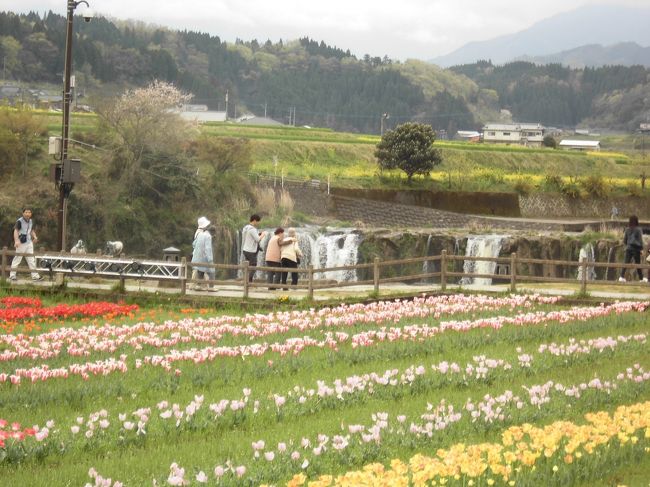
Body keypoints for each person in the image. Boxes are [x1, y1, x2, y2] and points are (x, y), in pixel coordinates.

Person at [9, 207, 42, 281]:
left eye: (29, 212)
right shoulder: (19, 221)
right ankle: (12, 275)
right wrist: (16, 241)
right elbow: (16, 230)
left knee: (31, 259)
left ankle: (35, 276)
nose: (27, 214)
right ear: (23, 213)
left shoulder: (30, 221)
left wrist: (35, 237)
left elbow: (31, 230)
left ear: (31, 214)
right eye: (26, 212)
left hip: (29, 242)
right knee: (17, 259)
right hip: (21, 242)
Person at [619, 214, 647, 283]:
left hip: (628, 248)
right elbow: (640, 240)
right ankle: (641, 279)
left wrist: (627, 245)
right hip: (636, 249)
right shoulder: (638, 229)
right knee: (638, 264)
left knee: (625, 262)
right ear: (637, 221)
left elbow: (624, 240)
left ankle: (621, 277)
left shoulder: (627, 229)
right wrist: (641, 249)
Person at [241, 214, 266, 282]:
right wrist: (263, 235)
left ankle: (246, 280)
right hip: (251, 251)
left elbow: (250, 237)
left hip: (245, 249)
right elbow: (258, 239)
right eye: (258, 221)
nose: (258, 223)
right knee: (253, 266)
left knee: (248, 266)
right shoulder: (252, 229)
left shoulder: (246, 228)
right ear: (254, 220)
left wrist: (258, 234)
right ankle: (249, 281)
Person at [191, 216, 214, 290]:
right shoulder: (206, 235)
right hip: (203, 256)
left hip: (197, 256)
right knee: (211, 271)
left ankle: (198, 286)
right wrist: (210, 259)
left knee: (200, 271)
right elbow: (208, 249)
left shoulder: (199, 233)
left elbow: (194, 244)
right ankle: (210, 287)